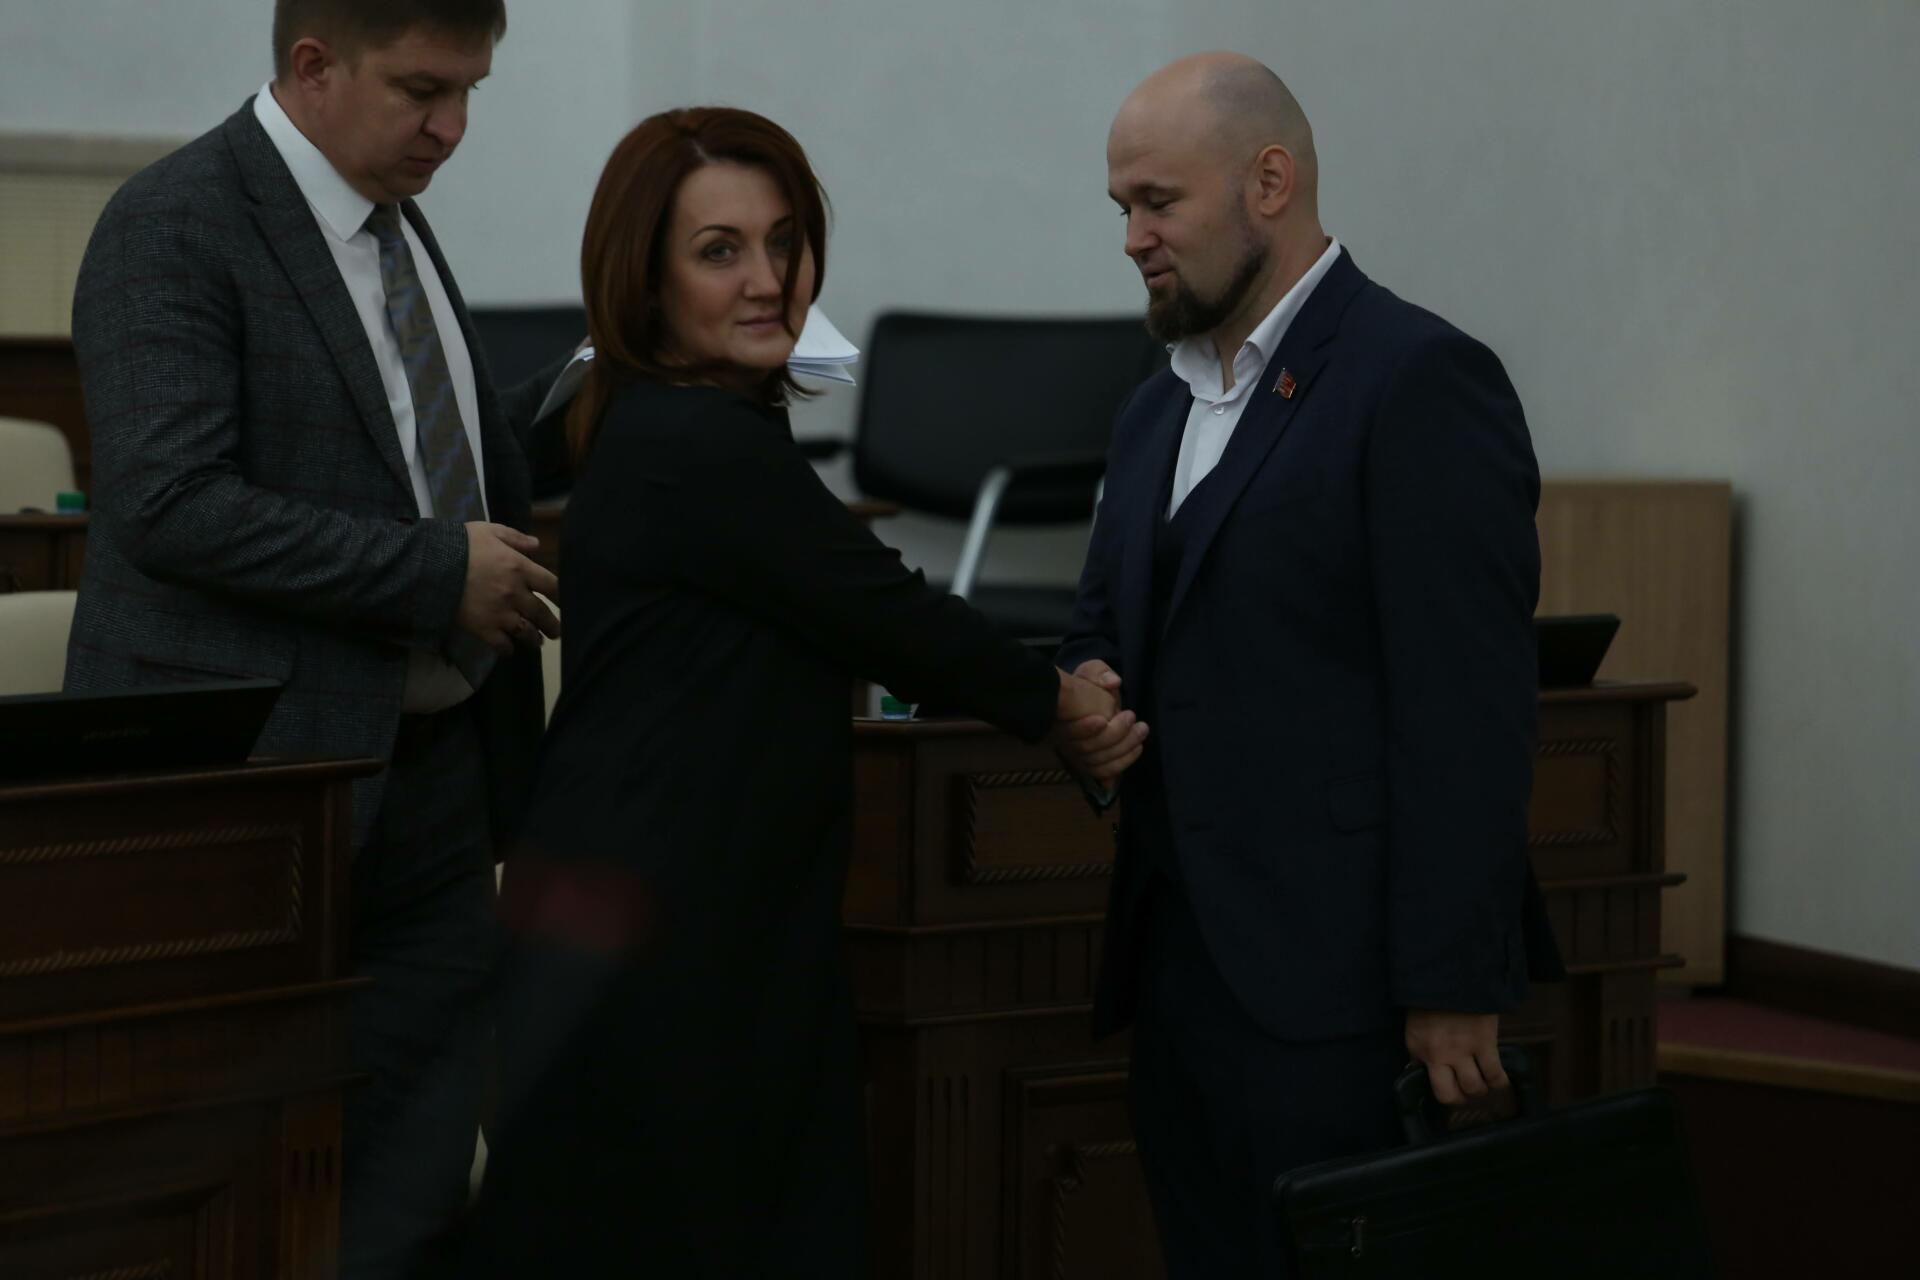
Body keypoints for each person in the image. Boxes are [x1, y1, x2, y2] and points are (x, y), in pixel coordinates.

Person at [464, 106, 1119, 1277]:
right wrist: (1068, 707)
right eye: (719, 250)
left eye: (784, 240)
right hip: (663, 949)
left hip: (660, 920)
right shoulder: (697, 440)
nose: (769, 280)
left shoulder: (648, 406)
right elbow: (891, 614)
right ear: (645, 279)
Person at [64, 2, 567, 1275]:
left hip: (435, 772)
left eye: (471, 91)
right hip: (255, 787)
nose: (453, 128)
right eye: (423, 90)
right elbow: (168, 502)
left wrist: (578, 409)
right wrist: (435, 572)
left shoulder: (391, 215)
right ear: (313, 64)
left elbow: (401, 458)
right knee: (228, 1183)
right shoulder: (173, 222)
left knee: (415, 1172)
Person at [1052, 52, 1564, 1277]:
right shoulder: (1151, 409)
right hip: (1181, 981)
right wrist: (1087, 688)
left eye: (1158, 201)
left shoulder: (1417, 377)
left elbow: (1467, 711)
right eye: (1121, 207)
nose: (1132, 238)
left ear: (1269, 182)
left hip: (1350, 994)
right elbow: (1101, 624)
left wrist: (1454, 981)